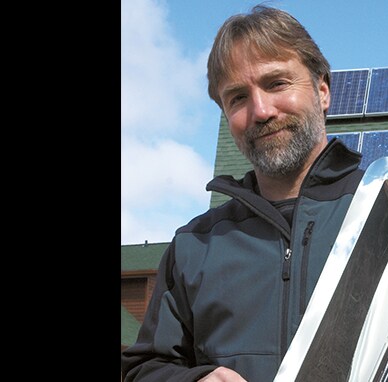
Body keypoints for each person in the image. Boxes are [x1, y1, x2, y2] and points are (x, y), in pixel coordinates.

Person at [121, 5, 365, 382]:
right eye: (237, 98)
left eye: (276, 83)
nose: (261, 110)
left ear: (322, 90)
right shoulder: (194, 246)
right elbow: (143, 369)